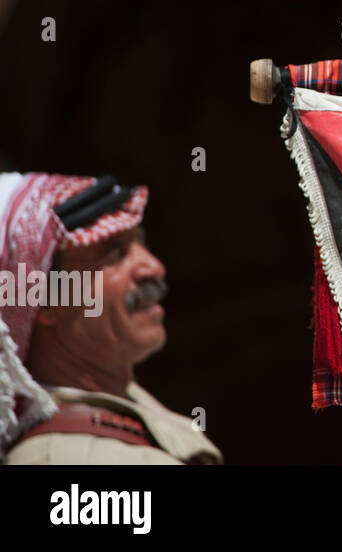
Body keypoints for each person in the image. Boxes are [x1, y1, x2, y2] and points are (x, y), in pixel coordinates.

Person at [0, 172, 221, 464]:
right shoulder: (59, 459)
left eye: (141, 243)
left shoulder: (131, 408)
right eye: (114, 254)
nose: (153, 267)